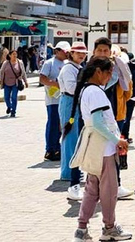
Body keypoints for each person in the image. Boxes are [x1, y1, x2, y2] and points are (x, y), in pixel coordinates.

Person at [63, 58, 132, 242]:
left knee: (91, 190)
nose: (110, 76)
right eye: (108, 72)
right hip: (104, 149)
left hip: (95, 146)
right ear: (98, 71)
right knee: (109, 191)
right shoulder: (95, 92)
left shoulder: (88, 89)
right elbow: (98, 123)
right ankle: (109, 228)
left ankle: (81, 229)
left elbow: (96, 122)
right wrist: (117, 140)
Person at [91, 38, 134, 200]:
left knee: (115, 152)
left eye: (105, 51)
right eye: (99, 50)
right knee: (97, 152)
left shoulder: (116, 69)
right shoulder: (90, 70)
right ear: (94, 51)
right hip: (96, 117)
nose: (102, 54)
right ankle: (94, 186)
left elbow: (128, 89)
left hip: (116, 115)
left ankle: (117, 184)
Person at [58, 41, 89, 201]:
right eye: (78, 53)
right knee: (70, 138)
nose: (81, 55)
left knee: (74, 138)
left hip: (74, 102)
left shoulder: (75, 67)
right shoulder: (69, 69)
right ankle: (69, 172)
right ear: (71, 53)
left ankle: (72, 170)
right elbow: (71, 88)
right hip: (69, 101)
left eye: (83, 53)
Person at [40, 41, 70, 161]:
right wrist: (57, 84)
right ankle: (50, 149)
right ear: (57, 51)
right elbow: (42, 78)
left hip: (65, 98)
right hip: (53, 99)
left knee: (61, 125)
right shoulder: (49, 63)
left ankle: (58, 147)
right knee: (53, 124)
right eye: (64, 51)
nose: (66, 54)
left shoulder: (68, 63)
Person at [0, 48, 28, 117]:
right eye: (13, 54)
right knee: (6, 97)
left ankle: (13, 111)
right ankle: (9, 106)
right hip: (6, 82)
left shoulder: (20, 62)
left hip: (16, 82)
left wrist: (25, 81)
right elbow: (1, 72)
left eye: (16, 54)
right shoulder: (6, 63)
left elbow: (23, 73)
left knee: (14, 97)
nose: (15, 56)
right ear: (10, 55)